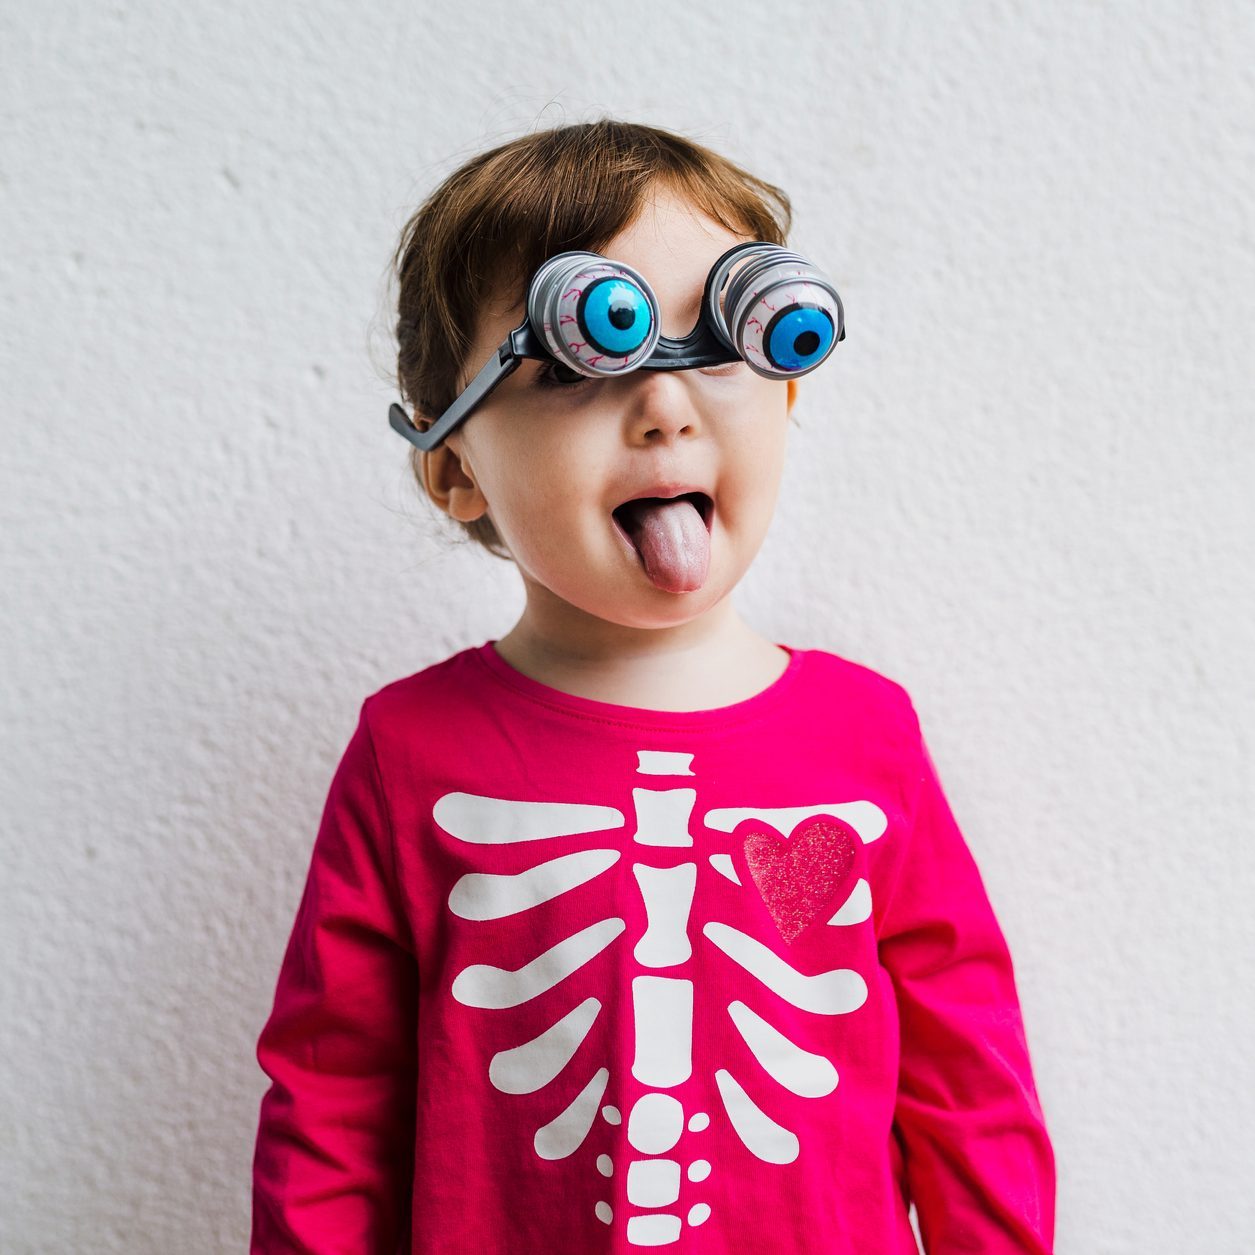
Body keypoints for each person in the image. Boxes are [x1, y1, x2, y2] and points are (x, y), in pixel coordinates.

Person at [250, 118, 1056, 1253]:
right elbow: (332, 1104)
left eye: (725, 346)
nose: (667, 406)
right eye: (585, 357)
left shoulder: (865, 735)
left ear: (785, 401)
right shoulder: (411, 750)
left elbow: (969, 1081)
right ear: (454, 469)